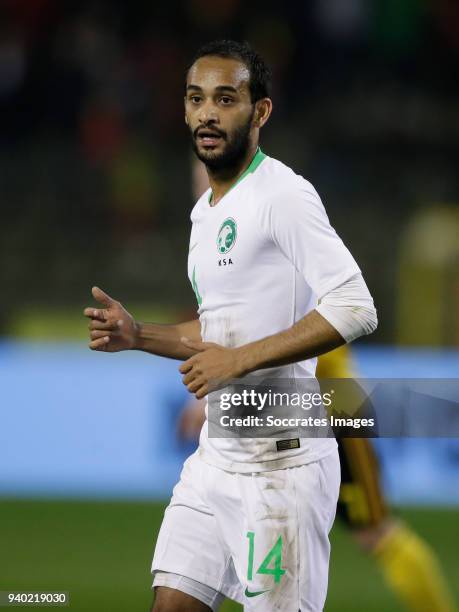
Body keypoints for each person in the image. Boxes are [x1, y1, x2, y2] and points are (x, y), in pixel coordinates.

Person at [84, 40, 377, 611]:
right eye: (196, 99)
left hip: (282, 466)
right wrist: (138, 334)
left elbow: (355, 305)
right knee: (170, 605)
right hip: (216, 456)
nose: (208, 113)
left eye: (226, 98)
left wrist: (238, 362)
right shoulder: (206, 213)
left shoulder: (284, 196)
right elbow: (219, 335)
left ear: (260, 111)